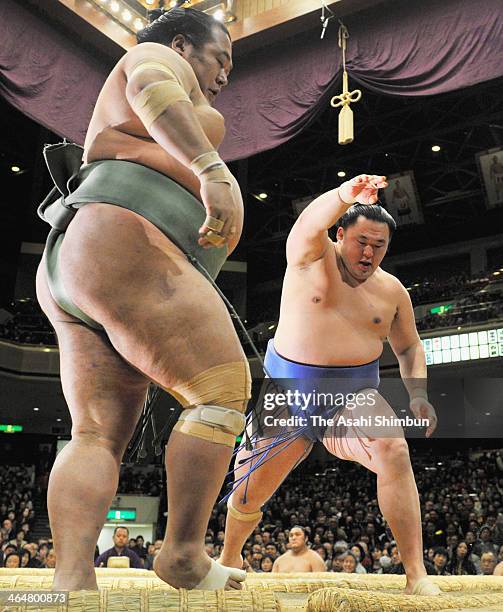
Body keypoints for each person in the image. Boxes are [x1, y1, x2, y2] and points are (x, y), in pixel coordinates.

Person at [35, 7, 248, 592]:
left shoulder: (154, 113)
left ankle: (71, 582)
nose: (226, 73)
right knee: (220, 392)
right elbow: (149, 81)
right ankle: (181, 553)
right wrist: (212, 172)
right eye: (220, 58)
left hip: (80, 260)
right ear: (183, 44)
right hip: (122, 241)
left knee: (95, 435)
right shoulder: (155, 57)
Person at [220, 175, 440, 596]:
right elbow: (306, 223)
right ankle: (230, 557)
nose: (369, 253)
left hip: (353, 397)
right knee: (247, 495)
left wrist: (418, 394)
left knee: (393, 446)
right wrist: (344, 195)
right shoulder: (310, 258)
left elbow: (409, 346)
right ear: (339, 233)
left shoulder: (392, 291)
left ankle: (416, 574)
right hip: (286, 393)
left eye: (379, 246)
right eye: (361, 242)